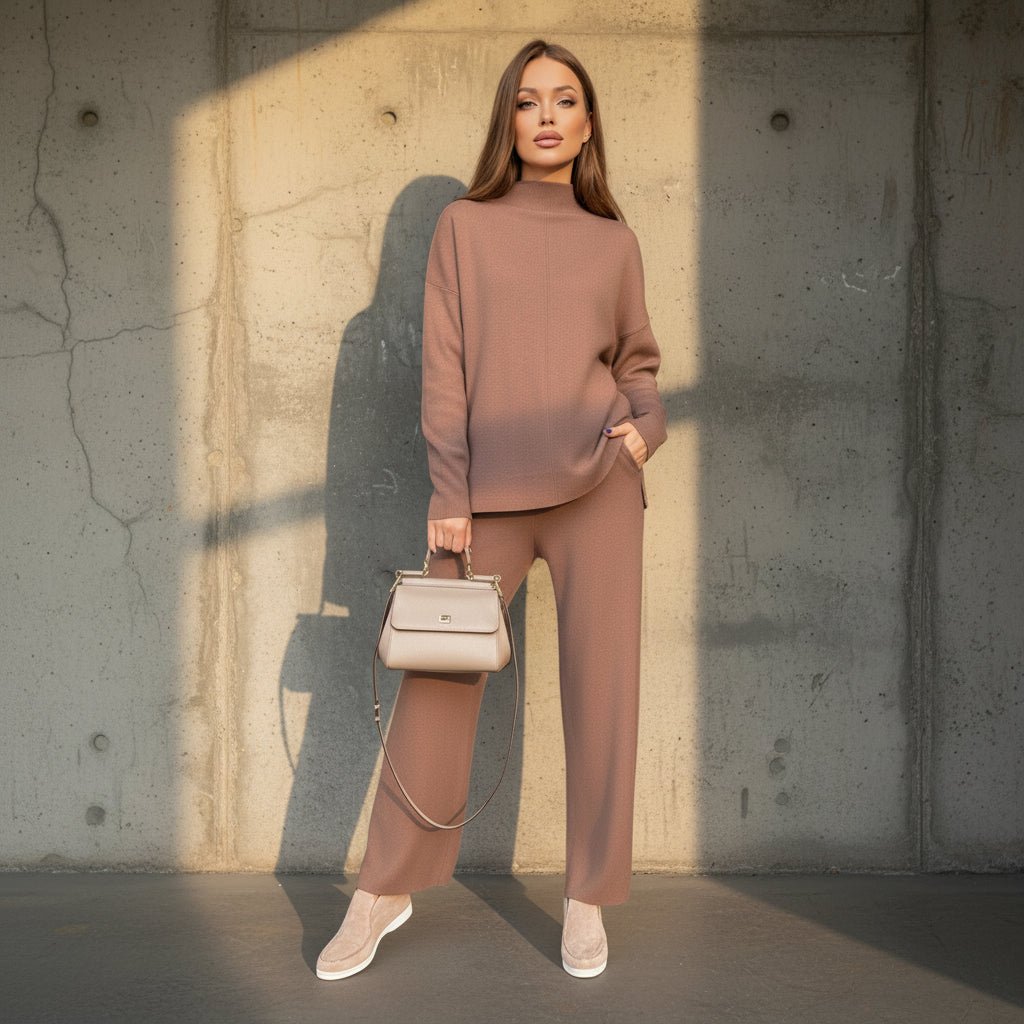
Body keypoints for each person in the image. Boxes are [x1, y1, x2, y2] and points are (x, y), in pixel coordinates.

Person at [317, 37, 668, 981]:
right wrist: (450, 491)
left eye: (564, 100)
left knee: (604, 696)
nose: (547, 115)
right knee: (437, 684)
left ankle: (588, 894)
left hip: (602, 490)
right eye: (527, 100)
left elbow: (638, 364)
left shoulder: (614, 241)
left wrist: (645, 430)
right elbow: (445, 371)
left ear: (588, 122)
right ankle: (382, 889)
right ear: (507, 121)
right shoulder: (463, 228)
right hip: (488, 500)